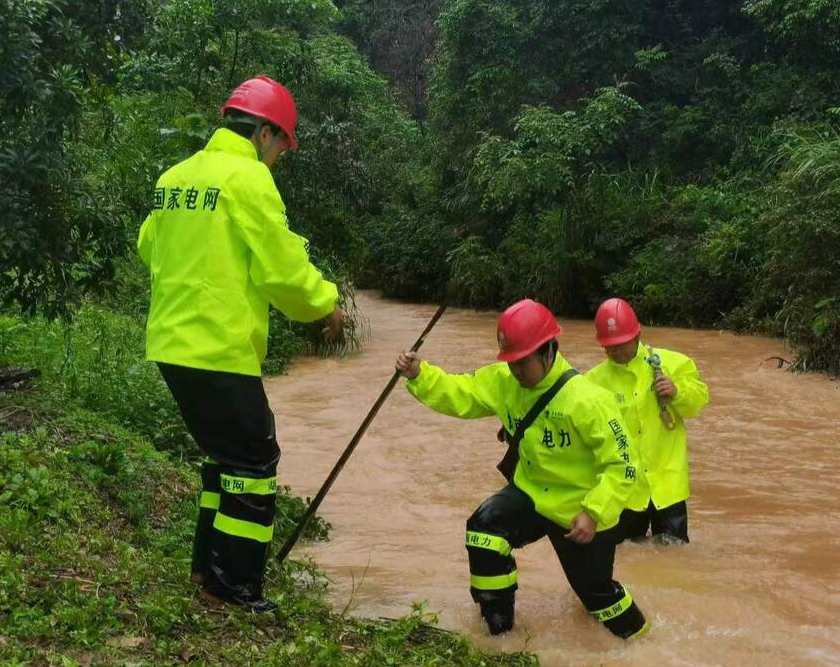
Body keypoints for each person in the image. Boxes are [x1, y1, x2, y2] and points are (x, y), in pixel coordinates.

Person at [137, 76, 344, 611]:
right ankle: (235, 588)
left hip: (170, 344)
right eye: (281, 147)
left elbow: (148, 246)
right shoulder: (249, 180)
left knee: (224, 456)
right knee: (254, 461)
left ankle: (209, 571)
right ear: (266, 133)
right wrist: (325, 304)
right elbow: (283, 271)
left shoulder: (175, 178)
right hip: (220, 350)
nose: (278, 158)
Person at [395, 299, 648, 638]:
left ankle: (643, 642)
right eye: (510, 362)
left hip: (580, 509)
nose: (515, 371)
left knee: (599, 598)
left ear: (548, 352)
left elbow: (624, 466)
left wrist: (594, 511)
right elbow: (462, 392)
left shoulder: (588, 400)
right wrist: (420, 375)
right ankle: (499, 633)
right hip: (531, 492)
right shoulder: (504, 380)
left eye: (523, 362)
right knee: (484, 530)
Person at [586, 298, 708, 544]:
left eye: (623, 343)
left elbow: (699, 402)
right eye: (611, 346)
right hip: (625, 490)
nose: (618, 351)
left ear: (638, 334)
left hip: (668, 484)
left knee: (674, 559)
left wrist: (677, 392)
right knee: (627, 556)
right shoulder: (592, 383)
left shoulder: (672, 364)